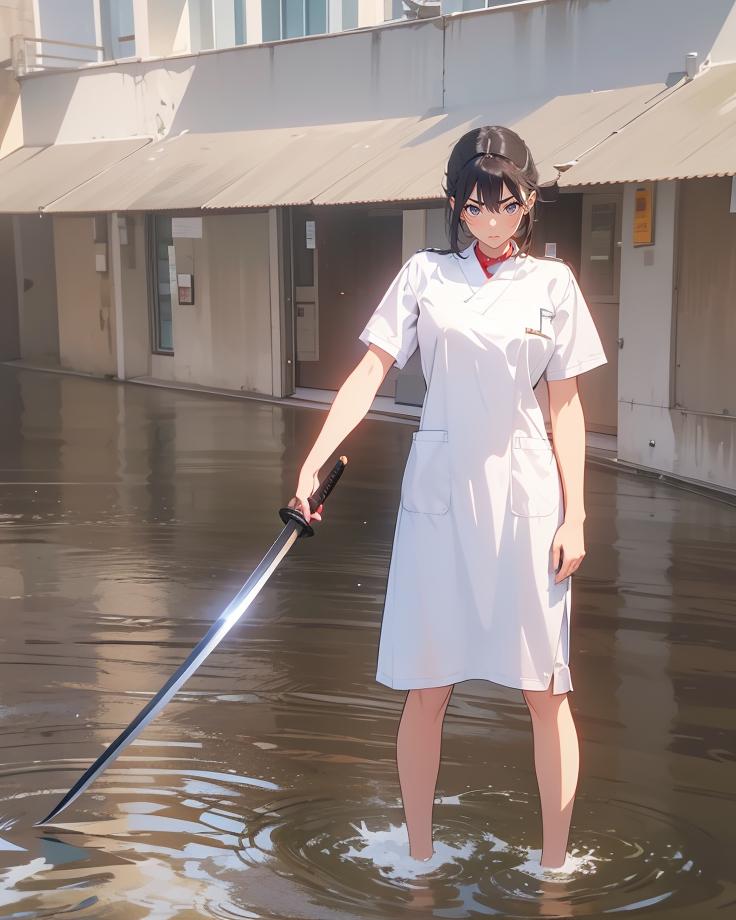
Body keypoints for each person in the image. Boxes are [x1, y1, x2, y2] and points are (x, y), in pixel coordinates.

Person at [287, 125, 608, 870]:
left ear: (530, 201)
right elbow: (371, 371)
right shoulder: (425, 276)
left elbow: (565, 405)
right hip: (439, 497)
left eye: (507, 205)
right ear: (457, 206)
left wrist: (577, 513)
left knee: (546, 688)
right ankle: (419, 861)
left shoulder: (553, 285)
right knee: (427, 685)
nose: (492, 220)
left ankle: (554, 868)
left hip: (528, 500)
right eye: (476, 206)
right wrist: (313, 461)